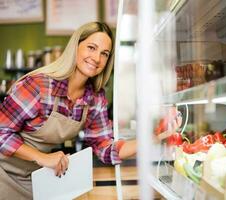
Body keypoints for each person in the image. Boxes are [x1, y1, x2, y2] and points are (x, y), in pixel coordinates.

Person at [0, 22, 139, 200]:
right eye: (91, 47)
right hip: (3, 173)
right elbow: (2, 132)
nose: (97, 58)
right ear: (75, 47)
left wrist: (153, 138)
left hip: (35, 178)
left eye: (104, 54)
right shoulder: (38, 85)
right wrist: (42, 157)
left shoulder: (95, 99)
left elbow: (105, 148)